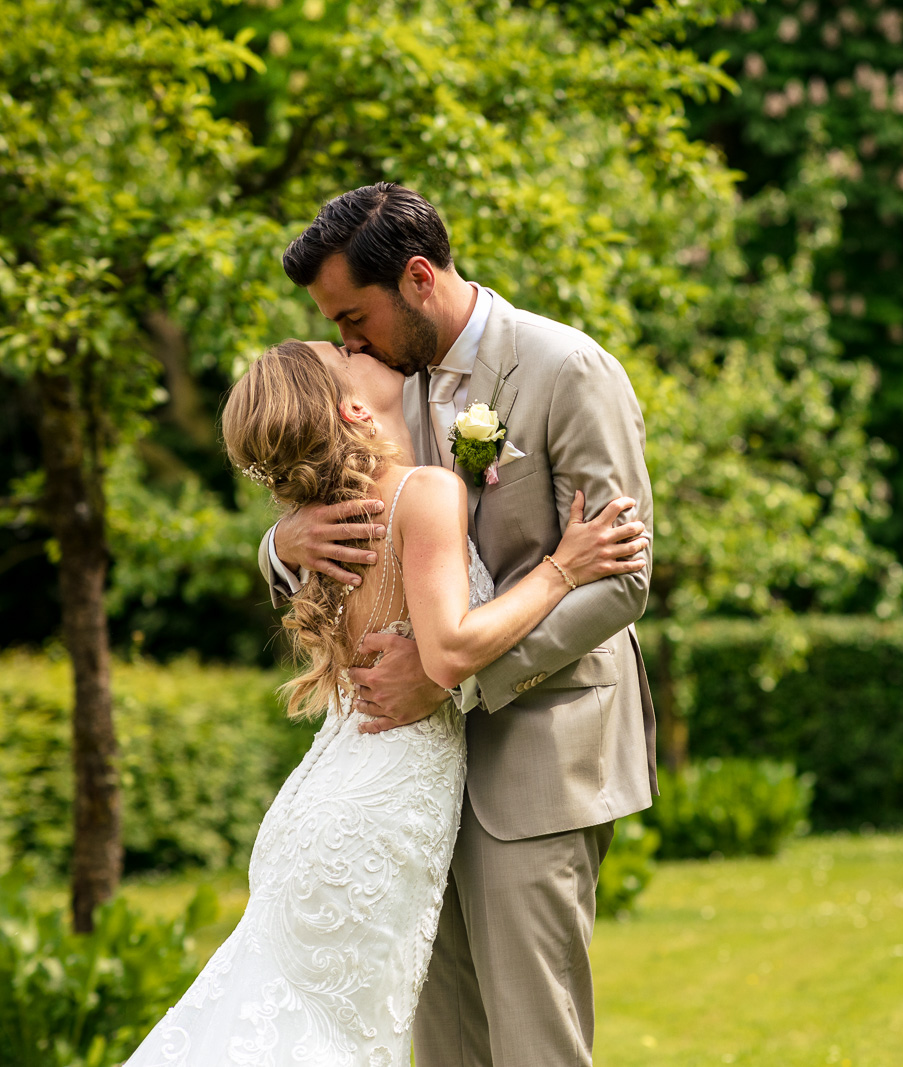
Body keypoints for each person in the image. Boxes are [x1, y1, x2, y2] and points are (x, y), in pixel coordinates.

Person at [125, 339, 648, 1064]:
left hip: (326, 805)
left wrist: (283, 536)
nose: (353, 344)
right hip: (376, 810)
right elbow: (450, 651)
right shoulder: (422, 491)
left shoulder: (337, 517)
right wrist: (563, 569)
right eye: (341, 351)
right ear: (351, 406)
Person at [257, 183, 658, 1066]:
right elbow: (331, 491)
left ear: (417, 276)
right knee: (440, 1044)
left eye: (354, 316)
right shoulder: (380, 379)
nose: (346, 342)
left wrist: (451, 671)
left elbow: (623, 580)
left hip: (538, 750)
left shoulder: (566, 369)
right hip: (414, 775)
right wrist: (283, 543)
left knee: (532, 1041)